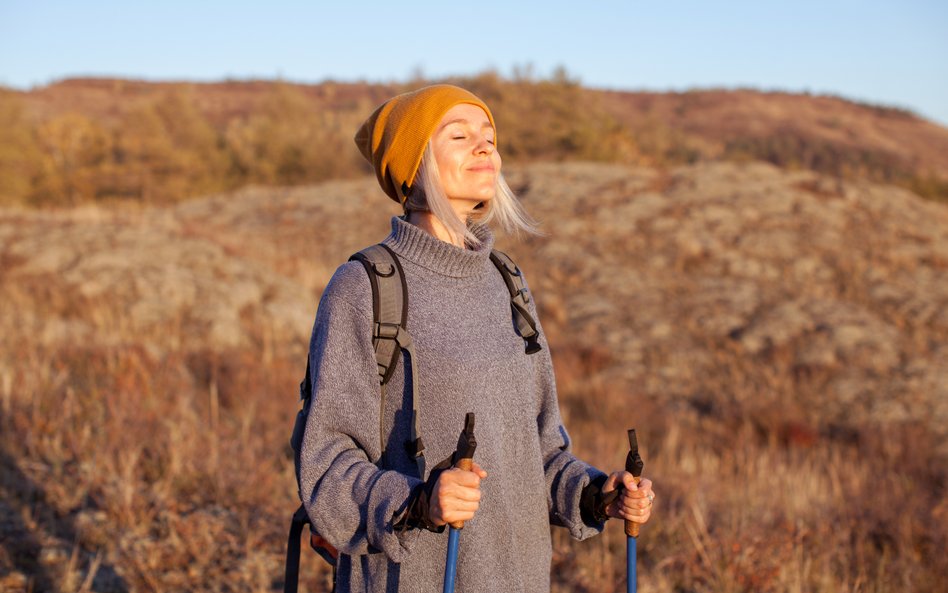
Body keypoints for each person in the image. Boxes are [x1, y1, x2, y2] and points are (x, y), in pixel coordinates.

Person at [299, 84, 655, 592]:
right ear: (413, 165)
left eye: (489, 136)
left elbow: (540, 454)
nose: (485, 146)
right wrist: (419, 501)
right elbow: (327, 468)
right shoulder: (363, 287)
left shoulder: (507, 281)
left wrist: (598, 493)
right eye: (460, 135)